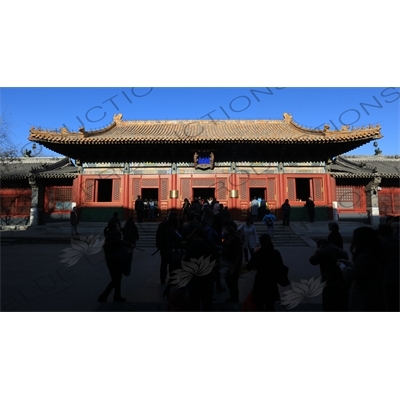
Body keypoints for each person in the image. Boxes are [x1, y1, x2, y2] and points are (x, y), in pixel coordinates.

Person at [338, 227, 386, 311]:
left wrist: (342, 266)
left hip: (364, 295)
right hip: (377, 293)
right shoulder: (376, 252)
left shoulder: (364, 256)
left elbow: (352, 275)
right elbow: (363, 269)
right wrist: (350, 264)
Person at [246, 233, 288, 311]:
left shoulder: (257, 255)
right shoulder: (275, 253)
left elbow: (248, 267)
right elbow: (281, 266)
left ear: (260, 242)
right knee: (270, 307)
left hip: (260, 281)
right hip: (271, 281)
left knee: (259, 307)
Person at [98, 221, 133, 303]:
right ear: (113, 228)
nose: (119, 228)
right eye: (117, 227)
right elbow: (120, 242)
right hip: (113, 260)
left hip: (114, 259)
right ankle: (104, 296)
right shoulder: (111, 235)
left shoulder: (112, 235)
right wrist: (129, 244)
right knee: (116, 279)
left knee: (117, 278)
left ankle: (117, 296)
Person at [309, 239, 349, 311]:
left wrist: (316, 253)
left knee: (328, 300)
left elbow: (312, 261)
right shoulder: (341, 251)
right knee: (340, 300)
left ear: (320, 246)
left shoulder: (321, 252)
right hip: (340, 278)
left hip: (328, 278)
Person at [220, 222, 243, 303]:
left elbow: (239, 253)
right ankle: (232, 296)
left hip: (233, 263)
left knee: (233, 282)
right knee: (229, 281)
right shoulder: (229, 237)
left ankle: (235, 298)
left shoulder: (236, 238)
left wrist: (236, 266)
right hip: (228, 262)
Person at [156, 212, 177, 284]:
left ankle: (162, 278)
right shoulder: (175, 226)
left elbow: (158, 237)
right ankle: (172, 279)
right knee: (172, 264)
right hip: (172, 248)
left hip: (163, 248)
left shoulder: (161, 225)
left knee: (163, 264)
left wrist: (159, 246)